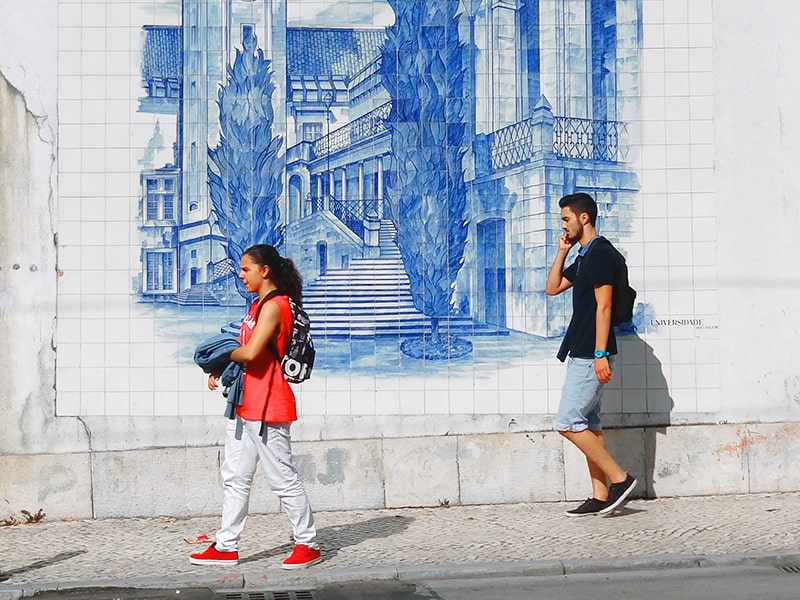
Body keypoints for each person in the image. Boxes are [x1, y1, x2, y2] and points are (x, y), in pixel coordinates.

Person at [190, 244, 321, 569]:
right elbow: (247, 354)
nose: (240, 274)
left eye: (246, 269)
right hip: (243, 400)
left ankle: (308, 543)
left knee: (281, 477)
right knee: (235, 476)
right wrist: (223, 369)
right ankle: (226, 546)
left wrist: (218, 355)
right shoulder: (256, 306)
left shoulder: (275, 307)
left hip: (268, 404)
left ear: (265, 271)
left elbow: (249, 353)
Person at [545, 192, 637, 517]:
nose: (563, 225)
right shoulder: (585, 255)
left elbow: (605, 306)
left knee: (567, 422)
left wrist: (599, 354)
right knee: (590, 425)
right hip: (582, 351)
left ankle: (620, 479)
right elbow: (552, 287)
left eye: (566, 219)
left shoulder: (600, 255)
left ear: (584, 218)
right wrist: (562, 252)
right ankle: (601, 495)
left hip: (590, 354)